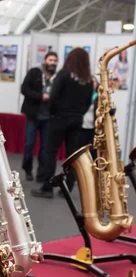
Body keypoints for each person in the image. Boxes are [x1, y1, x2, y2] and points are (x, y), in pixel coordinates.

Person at [31, 48, 93, 199]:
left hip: (59, 118)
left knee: (50, 152)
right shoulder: (88, 79)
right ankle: (68, 188)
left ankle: (48, 187)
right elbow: (87, 102)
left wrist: (53, 112)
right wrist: (79, 114)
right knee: (72, 155)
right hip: (77, 120)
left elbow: (53, 96)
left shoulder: (64, 74)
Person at [21, 51, 58, 181]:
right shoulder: (34, 73)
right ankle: (28, 169)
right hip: (33, 115)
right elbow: (24, 89)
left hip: (48, 118)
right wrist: (40, 96)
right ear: (45, 61)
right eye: (50, 60)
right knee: (29, 144)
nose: (52, 63)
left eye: (54, 61)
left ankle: (41, 174)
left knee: (45, 148)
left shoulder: (57, 78)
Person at [79, 75, 98, 157]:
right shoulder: (82, 95)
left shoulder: (99, 96)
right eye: (91, 81)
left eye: (94, 81)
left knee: (93, 151)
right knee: (81, 149)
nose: (93, 83)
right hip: (82, 126)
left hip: (94, 127)